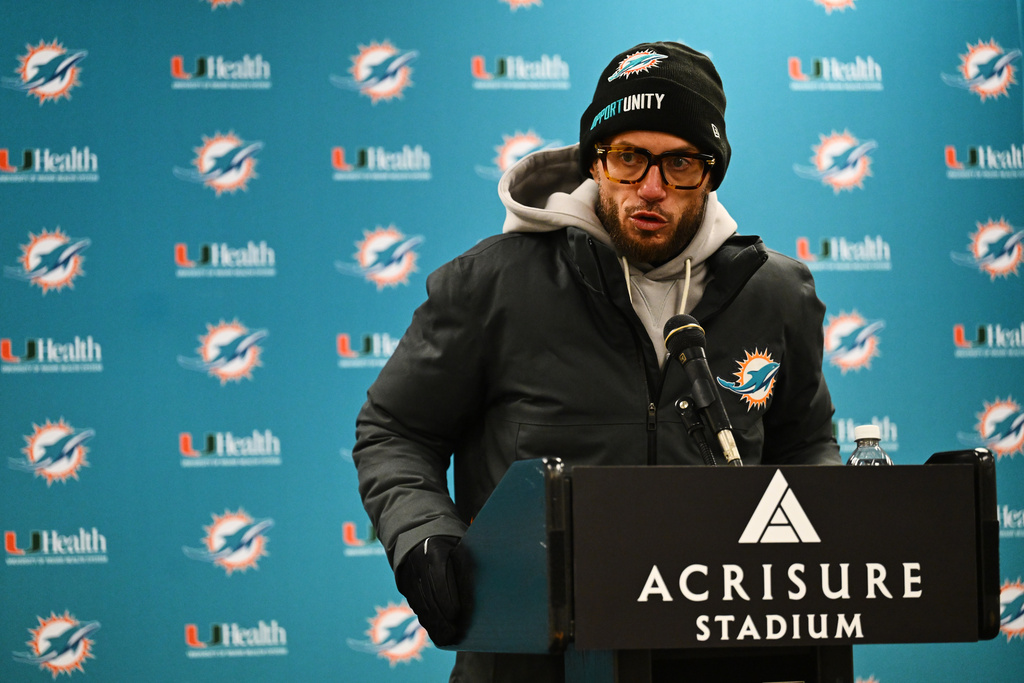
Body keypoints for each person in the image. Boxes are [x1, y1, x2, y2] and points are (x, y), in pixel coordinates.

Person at [353, 41, 842, 682]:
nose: (652, 188)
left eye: (680, 164)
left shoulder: (775, 294)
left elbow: (804, 445)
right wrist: (422, 535)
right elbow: (396, 430)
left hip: (714, 657)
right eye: (628, 158)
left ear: (713, 170)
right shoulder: (492, 284)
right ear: (595, 163)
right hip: (526, 660)